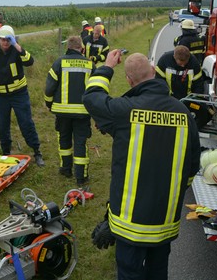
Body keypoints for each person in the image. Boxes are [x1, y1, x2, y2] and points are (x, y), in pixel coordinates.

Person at [83, 51, 200, 280]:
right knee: (158, 273)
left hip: (129, 225)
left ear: (129, 80)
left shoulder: (124, 110)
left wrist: (106, 67)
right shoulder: (184, 114)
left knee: (129, 274)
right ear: (155, 72)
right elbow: (192, 167)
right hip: (164, 223)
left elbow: (92, 96)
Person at [0, 25, 44, 166]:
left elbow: (30, 61)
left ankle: (37, 151)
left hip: (19, 94)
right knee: (3, 126)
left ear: (12, 40)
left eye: (8, 40)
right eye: (3, 39)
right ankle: (6, 153)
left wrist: (17, 46)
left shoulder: (16, 51)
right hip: (2, 96)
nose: (5, 43)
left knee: (26, 123)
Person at [44, 36, 94, 186]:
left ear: (68, 47)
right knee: (80, 142)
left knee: (64, 139)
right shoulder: (90, 65)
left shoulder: (59, 63)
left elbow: (49, 87)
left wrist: (48, 103)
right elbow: (96, 88)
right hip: (82, 113)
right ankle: (81, 176)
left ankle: (65, 169)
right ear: (81, 48)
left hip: (62, 112)